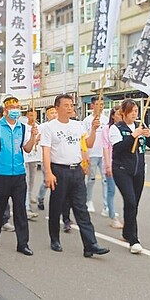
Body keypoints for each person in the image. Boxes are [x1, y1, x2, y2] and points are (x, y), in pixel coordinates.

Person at [40, 94, 110, 258]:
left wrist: (93, 129)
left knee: (81, 208)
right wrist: (48, 173)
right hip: (59, 170)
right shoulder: (50, 127)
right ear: (57, 108)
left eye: (71, 105)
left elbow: (88, 144)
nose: (70, 108)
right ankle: (55, 239)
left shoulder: (78, 126)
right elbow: (46, 151)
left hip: (76, 171)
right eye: (66, 105)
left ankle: (90, 244)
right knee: (57, 206)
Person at [0, 96, 37, 256]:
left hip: (19, 174)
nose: (15, 110)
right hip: (1, 174)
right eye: (12, 107)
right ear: (6, 109)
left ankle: (23, 243)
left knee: (20, 209)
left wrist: (33, 136)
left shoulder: (23, 127)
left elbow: (27, 149)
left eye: (17, 107)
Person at [110, 98, 150, 254]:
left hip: (138, 170)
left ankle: (127, 232)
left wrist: (148, 135)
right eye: (132, 111)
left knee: (134, 203)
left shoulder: (140, 126)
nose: (135, 114)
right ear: (124, 113)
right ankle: (134, 240)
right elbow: (118, 149)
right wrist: (132, 136)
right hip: (122, 169)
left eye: (136, 111)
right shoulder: (116, 128)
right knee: (130, 201)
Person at [81, 97, 109, 214]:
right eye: (97, 104)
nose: (100, 106)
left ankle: (106, 206)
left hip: (103, 154)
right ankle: (88, 201)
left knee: (105, 180)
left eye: (102, 104)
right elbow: (83, 138)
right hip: (92, 154)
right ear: (92, 106)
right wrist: (85, 153)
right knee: (91, 179)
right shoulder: (87, 120)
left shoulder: (106, 119)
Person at [102, 106, 124, 229]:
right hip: (111, 162)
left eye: (122, 114)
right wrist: (108, 165)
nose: (120, 116)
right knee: (111, 190)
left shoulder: (125, 128)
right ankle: (112, 216)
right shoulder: (107, 129)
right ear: (112, 116)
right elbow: (105, 148)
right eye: (118, 114)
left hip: (124, 164)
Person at [35, 105, 57, 211]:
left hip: (58, 159)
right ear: (47, 115)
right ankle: (40, 197)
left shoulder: (60, 126)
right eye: (51, 113)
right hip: (46, 158)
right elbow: (35, 140)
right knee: (46, 181)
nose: (54, 115)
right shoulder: (43, 127)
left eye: (55, 113)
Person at [23, 108, 40, 220]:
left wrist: (38, 139)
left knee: (32, 179)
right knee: (26, 181)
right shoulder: (24, 127)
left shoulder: (39, 127)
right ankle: (26, 205)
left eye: (34, 115)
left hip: (35, 156)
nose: (32, 117)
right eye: (30, 115)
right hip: (25, 157)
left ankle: (30, 196)